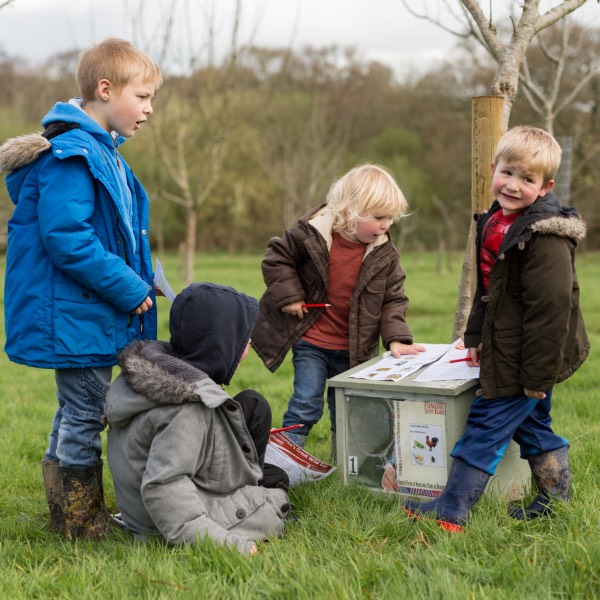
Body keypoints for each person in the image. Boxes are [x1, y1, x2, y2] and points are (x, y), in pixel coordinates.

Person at [0, 38, 162, 539]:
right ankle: (80, 522)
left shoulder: (104, 153)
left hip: (87, 311)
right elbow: (67, 238)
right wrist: (128, 287)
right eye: (143, 97)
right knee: (87, 412)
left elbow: (122, 235)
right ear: (105, 89)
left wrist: (149, 279)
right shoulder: (73, 156)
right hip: (76, 312)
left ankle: (64, 512)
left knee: (77, 408)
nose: (150, 109)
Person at [402, 125, 589, 532]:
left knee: (485, 426)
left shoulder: (544, 238)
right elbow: (489, 289)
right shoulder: (494, 222)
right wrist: (474, 337)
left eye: (528, 179)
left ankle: (452, 512)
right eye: (508, 172)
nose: (513, 185)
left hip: (534, 355)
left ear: (545, 187)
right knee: (533, 424)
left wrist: (536, 377)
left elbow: (552, 311)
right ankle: (556, 502)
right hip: (510, 345)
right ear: (493, 169)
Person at [105, 283, 291, 556]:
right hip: (163, 521)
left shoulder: (162, 369)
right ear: (220, 341)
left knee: (251, 406)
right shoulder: (187, 408)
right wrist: (231, 545)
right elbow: (164, 487)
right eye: (243, 338)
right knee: (277, 494)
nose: (248, 344)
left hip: (146, 503)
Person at [251, 163, 425, 453]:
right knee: (305, 402)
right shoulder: (311, 235)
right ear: (351, 210)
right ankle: (284, 459)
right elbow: (276, 257)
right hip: (312, 342)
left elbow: (393, 298)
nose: (386, 225)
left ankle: (345, 467)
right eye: (379, 217)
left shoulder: (385, 254)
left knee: (347, 410)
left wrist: (396, 338)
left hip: (354, 349)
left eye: (391, 218)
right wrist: (290, 296)